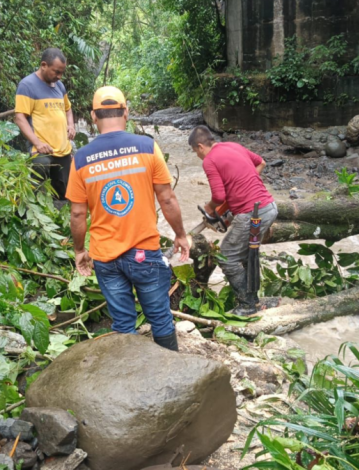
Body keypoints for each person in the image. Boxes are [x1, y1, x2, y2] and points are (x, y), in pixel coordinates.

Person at [66, 86, 190, 351]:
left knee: (123, 324)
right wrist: (180, 234)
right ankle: (173, 381)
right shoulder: (147, 146)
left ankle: (129, 384)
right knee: (160, 318)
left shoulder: (81, 158)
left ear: (93, 117)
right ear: (126, 112)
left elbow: (77, 213)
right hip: (144, 252)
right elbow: (166, 199)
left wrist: (79, 251)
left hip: (106, 257)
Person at [188, 125, 278, 316]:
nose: (198, 156)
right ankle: (254, 301)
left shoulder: (210, 160)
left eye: (196, 152)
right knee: (246, 256)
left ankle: (246, 305)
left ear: (200, 146)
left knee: (227, 255)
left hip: (253, 213)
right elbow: (261, 163)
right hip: (268, 207)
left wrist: (209, 208)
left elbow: (219, 196)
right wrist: (242, 187)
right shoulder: (233, 146)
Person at [14, 48, 76, 204]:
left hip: (63, 148)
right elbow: (20, 118)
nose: (59, 76)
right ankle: (36, 218)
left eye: (61, 72)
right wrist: (37, 143)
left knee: (65, 191)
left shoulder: (59, 86)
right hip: (42, 148)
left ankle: (61, 223)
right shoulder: (27, 85)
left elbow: (68, 109)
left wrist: (71, 125)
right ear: (43, 65)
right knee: (39, 184)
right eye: (56, 72)